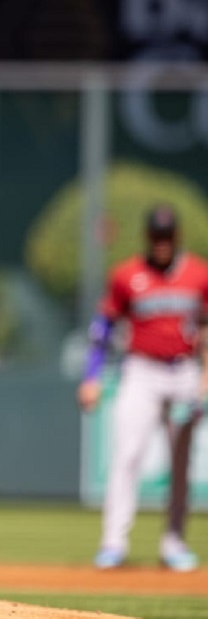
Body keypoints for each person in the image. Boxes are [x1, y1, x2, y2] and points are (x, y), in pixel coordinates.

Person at [78, 204, 208, 572]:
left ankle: (174, 543)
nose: (162, 242)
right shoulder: (126, 275)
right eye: (156, 235)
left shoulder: (199, 274)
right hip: (140, 371)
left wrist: (204, 377)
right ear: (148, 237)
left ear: (176, 236)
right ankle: (113, 543)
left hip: (184, 372)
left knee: (181, 463)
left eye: (167, 235)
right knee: (127, 456)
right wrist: (92, 376)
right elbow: (103, 328)